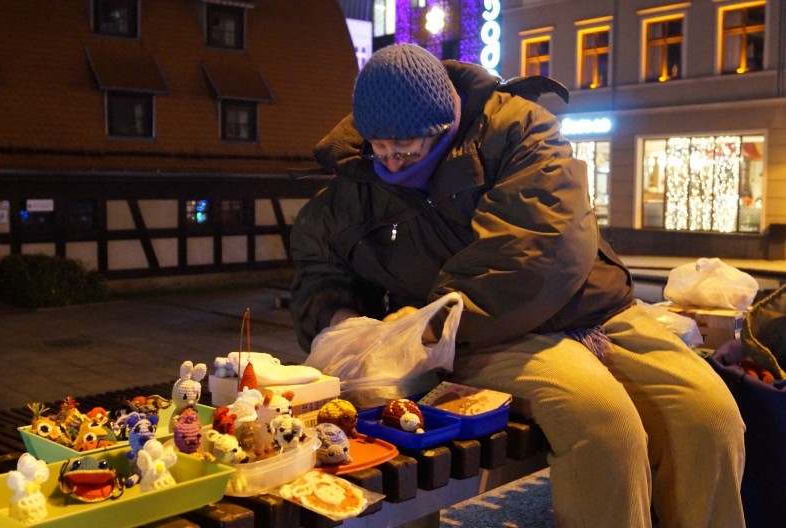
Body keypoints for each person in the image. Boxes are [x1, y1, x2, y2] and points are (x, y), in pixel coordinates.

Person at [289, 43, 745, 527]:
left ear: (445, 124)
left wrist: (433, 324)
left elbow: (540, 244)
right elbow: (318, 269)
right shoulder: (352, 185)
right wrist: (339, 319)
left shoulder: (518, 127)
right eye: (380, 149)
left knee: (710, 416)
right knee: (603, 425)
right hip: (484, 335)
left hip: (582, 308)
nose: (393, 163)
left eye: (406, 150)